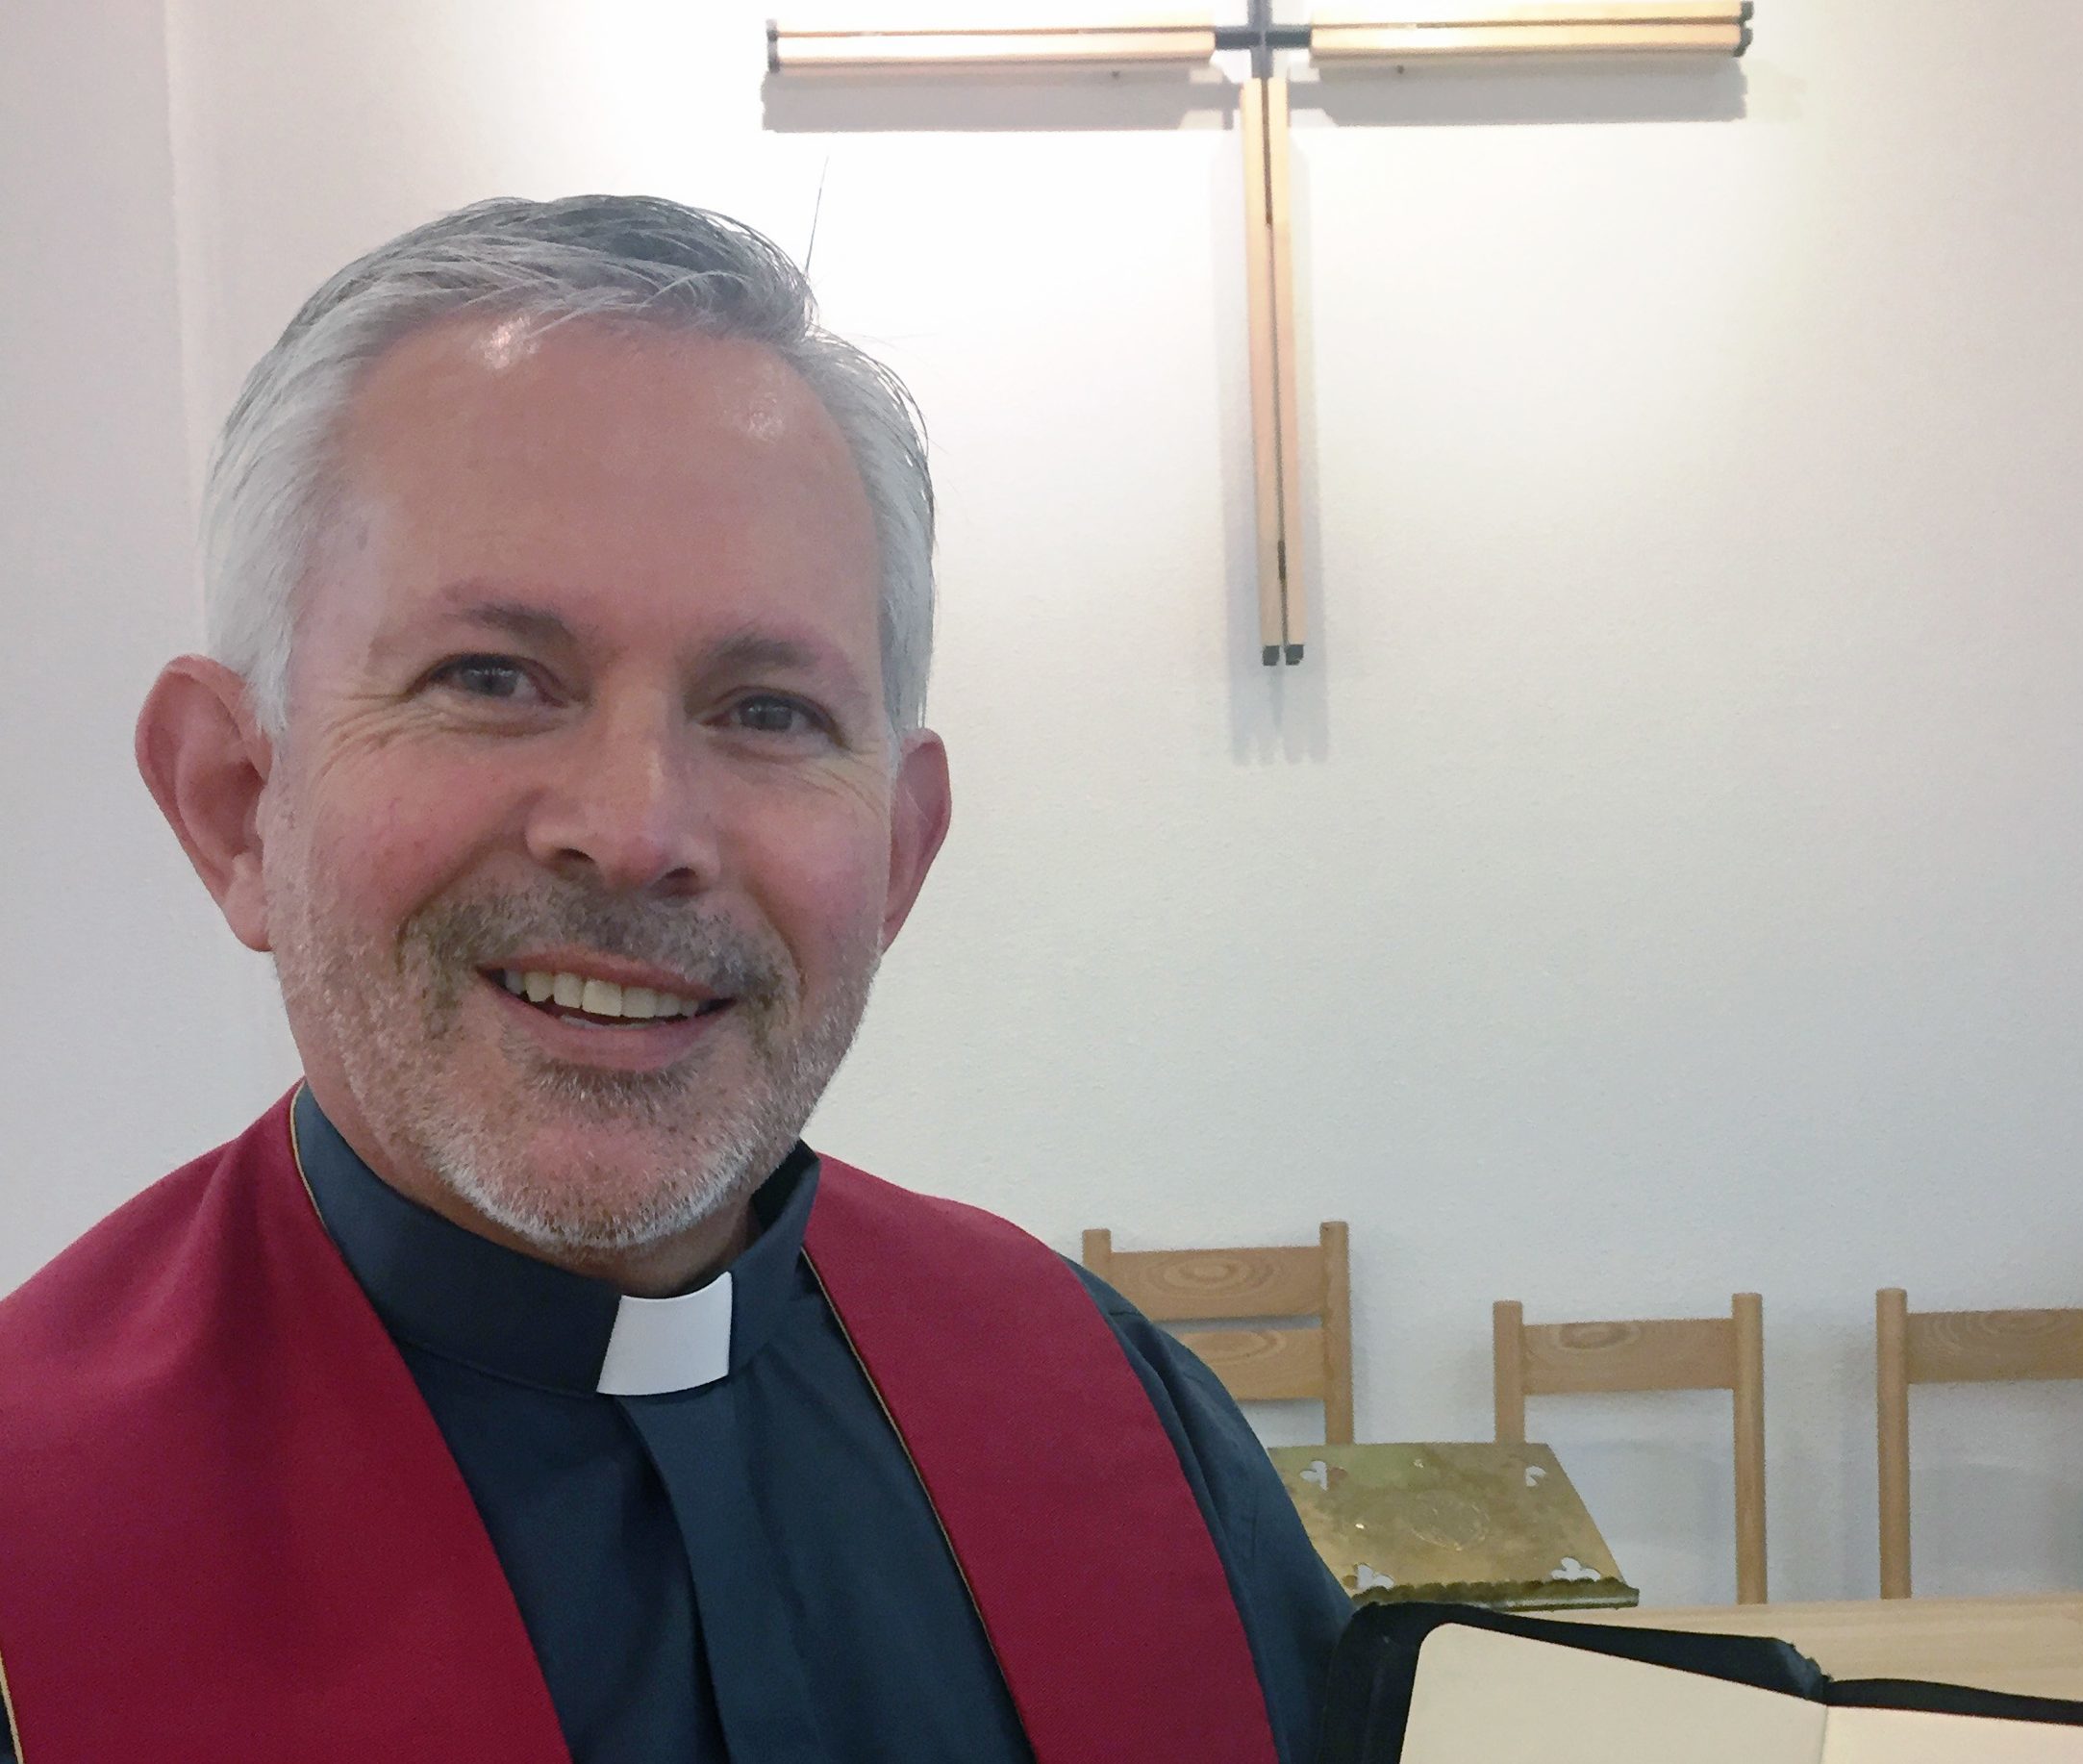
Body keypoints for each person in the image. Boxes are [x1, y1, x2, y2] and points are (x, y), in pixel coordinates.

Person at [0, 194, 1349, 1764]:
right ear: (237, 800)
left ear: (899, 854)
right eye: (492, 679)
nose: (639, 831)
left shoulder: (1113, 1412)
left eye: (767, 709)